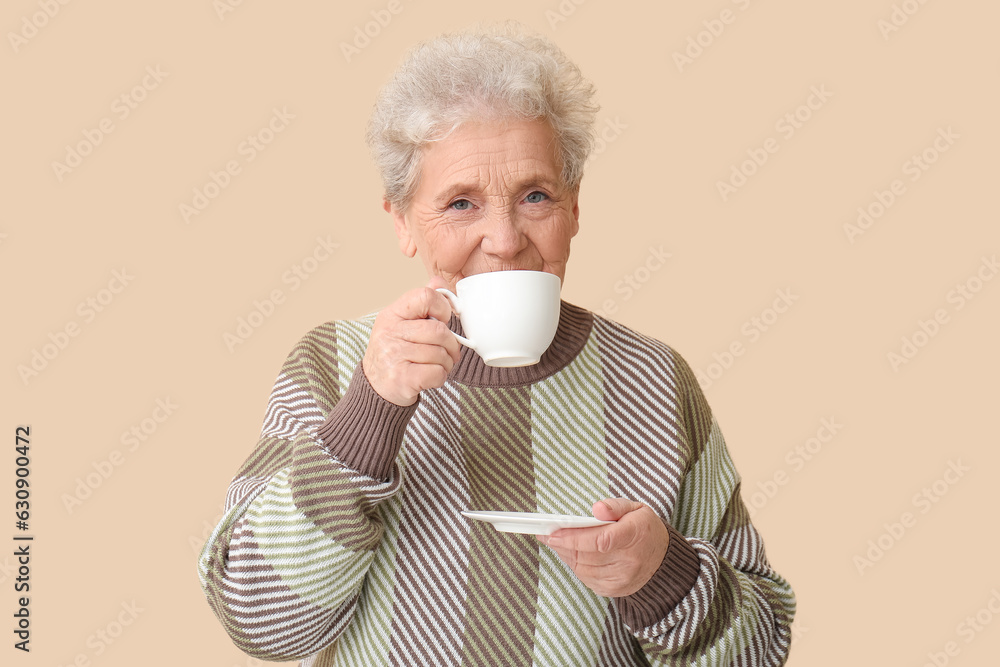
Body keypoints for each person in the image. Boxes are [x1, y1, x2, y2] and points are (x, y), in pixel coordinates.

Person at [198, 22, 796, 666]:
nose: (505, 239)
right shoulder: (334, 365)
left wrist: (662, 576)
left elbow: (761, 651)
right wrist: (370, 412)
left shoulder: (655, 378)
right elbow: (260, 624)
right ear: (402, 222)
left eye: (536, 195)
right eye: (460, 204)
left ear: (574, 209)